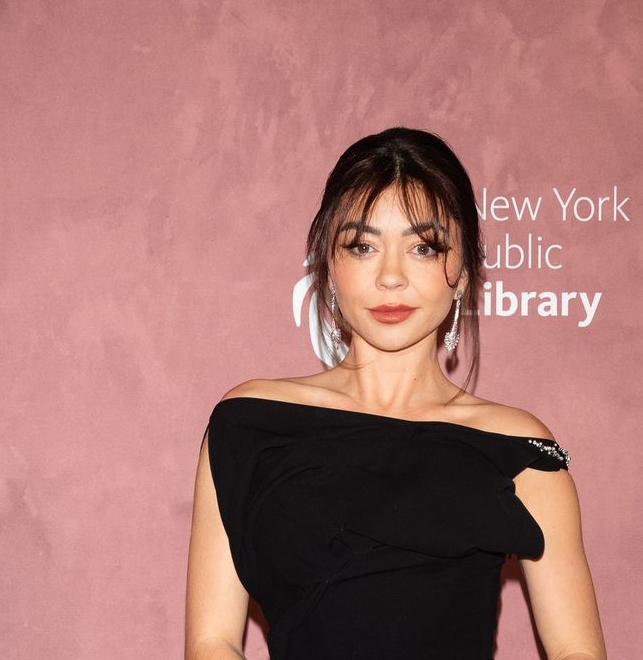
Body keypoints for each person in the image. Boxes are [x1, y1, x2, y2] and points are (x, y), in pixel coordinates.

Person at [185, 127, 607, 659]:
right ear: (329, 266)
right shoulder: (251, 424)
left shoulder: (516, 448)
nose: (391, 277)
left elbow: (575, 651)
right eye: (363, 246)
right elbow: (213, 641)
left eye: (423, 247)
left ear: (463, 271)